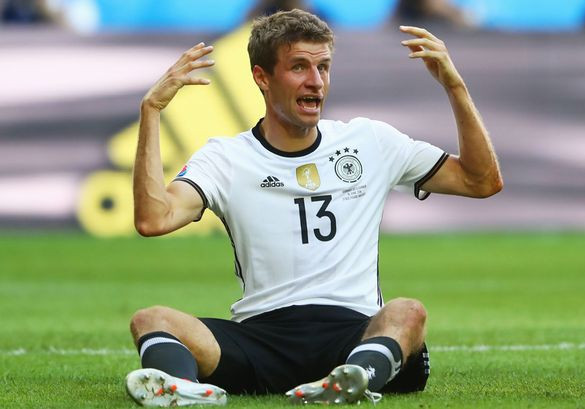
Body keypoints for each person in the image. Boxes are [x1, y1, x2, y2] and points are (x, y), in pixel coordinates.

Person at [125, 8, 502, 407]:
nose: (316, 81)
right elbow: (154, 218)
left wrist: (454, 86)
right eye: (299, 67)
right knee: (151, 320)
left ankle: (355, 377)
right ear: (262, 77)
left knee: (408, 312)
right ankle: (184, 390)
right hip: (261, 339)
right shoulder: (226, 157)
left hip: (352, 334)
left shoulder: (369, 141)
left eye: (323, 67)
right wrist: (151, 111)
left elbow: (480, 181)